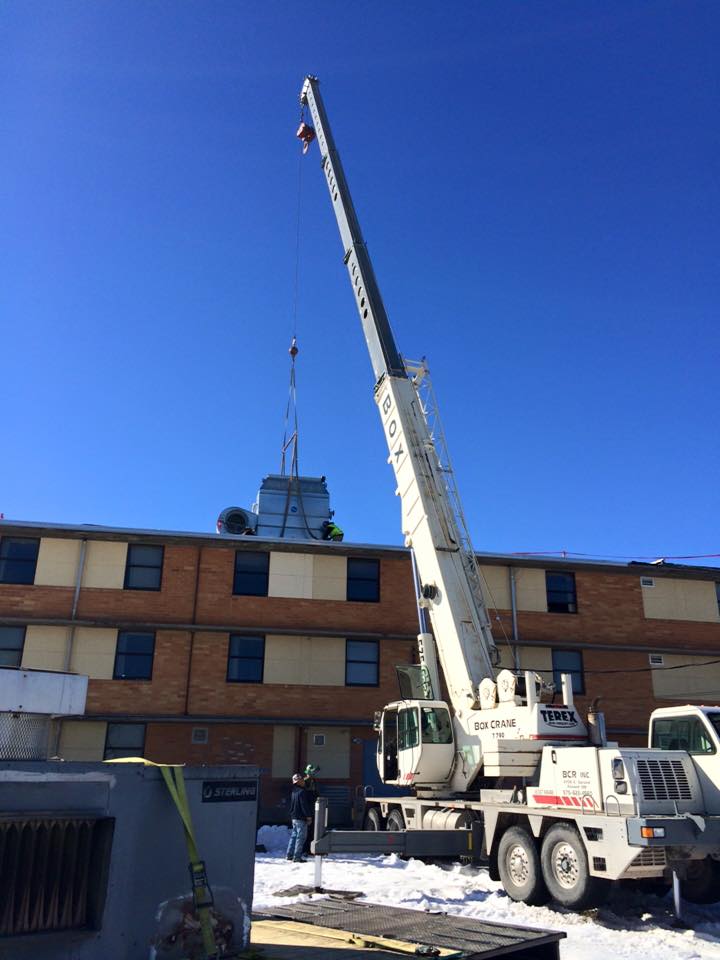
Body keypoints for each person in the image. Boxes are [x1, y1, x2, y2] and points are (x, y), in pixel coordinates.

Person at [286, 773, 313, 863]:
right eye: (302, 780)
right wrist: (308, 816)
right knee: (300, 838)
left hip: (294, 817)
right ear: (299, 782)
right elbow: (304, 805)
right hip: (301, 818)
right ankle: (297, 857)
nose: (303, 781)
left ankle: (289, 855)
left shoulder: (294, 791)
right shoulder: (302, 792)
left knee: (294, 836)